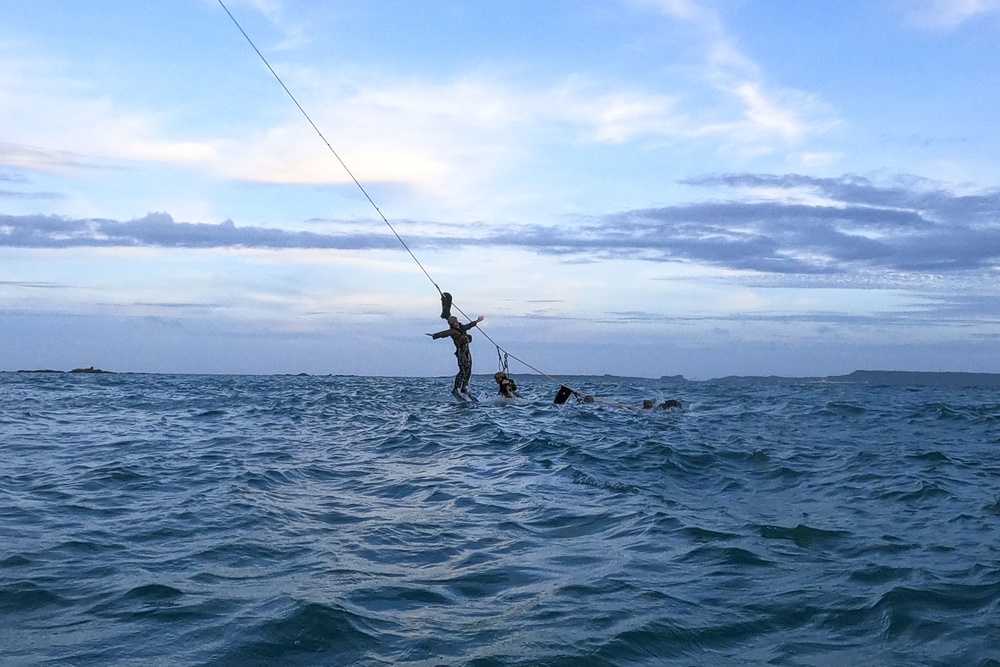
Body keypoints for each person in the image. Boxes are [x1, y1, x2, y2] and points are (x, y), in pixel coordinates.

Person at [428, 315, 484, 399]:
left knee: (468, 370)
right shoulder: (452, 331)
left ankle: (465, 387)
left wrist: (477, 321)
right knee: (462, 370)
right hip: (461, 352)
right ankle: (456, 388)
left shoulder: (462, 327)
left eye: (455, 322)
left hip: (467, 351)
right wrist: (434, 335)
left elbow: (469, 326)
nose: (455, 324)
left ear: (457, 321)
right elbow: (444, 333)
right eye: (453, 323)